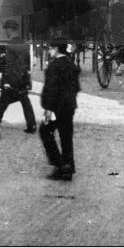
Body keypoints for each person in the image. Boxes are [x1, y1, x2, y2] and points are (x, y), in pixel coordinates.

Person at [39, 40, 81, 181]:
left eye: (50, 49)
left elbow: (51, 89)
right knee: (66, 137)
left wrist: (48, 109)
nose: (49, 51)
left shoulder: (54, 66)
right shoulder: (71, 64)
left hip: (56, 108)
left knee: (44, 132)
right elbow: (76, 87)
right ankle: (68, 168)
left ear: (56, 49)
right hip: (69, 107)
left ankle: (59, 164)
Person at [0, 20, 37, 133]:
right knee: (25, 102)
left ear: (10, 30)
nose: (6, 32)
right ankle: (32, 125)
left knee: (2, 102)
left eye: (6, 30)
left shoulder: (10, 45)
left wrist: (6, 81)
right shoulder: (24, 44)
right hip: (22, 78)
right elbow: (27, 63)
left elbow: (9, 65)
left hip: (12, 80)